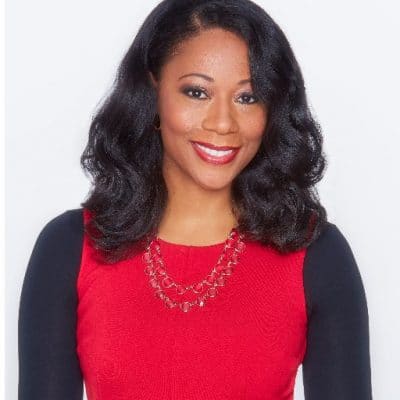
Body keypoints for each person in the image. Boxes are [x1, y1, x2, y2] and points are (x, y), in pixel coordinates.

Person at [18, 0, 373, 399]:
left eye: (247, 97)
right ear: (153, 92)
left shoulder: (316, 255)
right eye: (197, 92)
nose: (222, 123)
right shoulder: (69, 248)